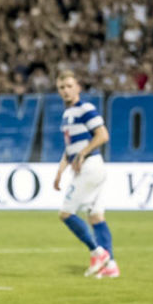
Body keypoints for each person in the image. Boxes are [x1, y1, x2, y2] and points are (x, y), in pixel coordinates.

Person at [53, 70, 119, 278]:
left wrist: (83, 153)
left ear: (78, 88)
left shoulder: (85, 109)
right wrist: (60, 171)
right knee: (96, 216)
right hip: (91, 167)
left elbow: (102, 135)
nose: (65, 91)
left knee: (65, 213)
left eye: (69, 86)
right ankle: (110, 265)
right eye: (62, 87)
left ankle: (97, 252)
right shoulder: (67, 115)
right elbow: (70, 148)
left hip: (91, 166)